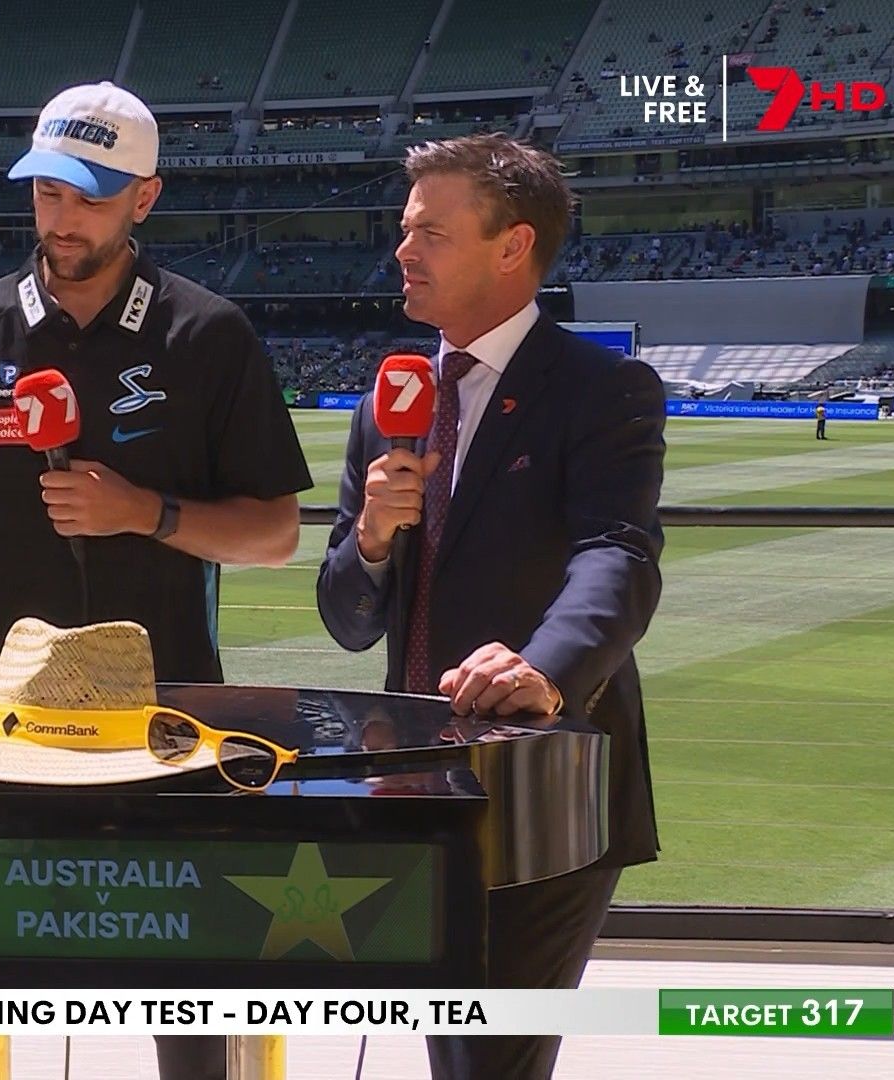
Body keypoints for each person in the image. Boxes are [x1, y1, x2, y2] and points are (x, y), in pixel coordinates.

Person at [0, 81, 311, 1080]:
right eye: (48, 192)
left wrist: (146, 513)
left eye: (89, 195)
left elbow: (276, 534)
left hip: (164, 718)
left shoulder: (207, 334)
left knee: (189, 991)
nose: (63, 217)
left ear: (144, 199)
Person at [316, 134, 664, 1080]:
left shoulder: (601, 388)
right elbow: (349, 620)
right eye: (404, 228)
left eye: (430, 231)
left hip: (548, 786)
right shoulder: (389, 404)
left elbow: (619, 556)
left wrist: (543, 669)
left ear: (513, 246)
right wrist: (373, 537)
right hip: (418, 783)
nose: (402, 250)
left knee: (496, 1062)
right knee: (458, 1053)